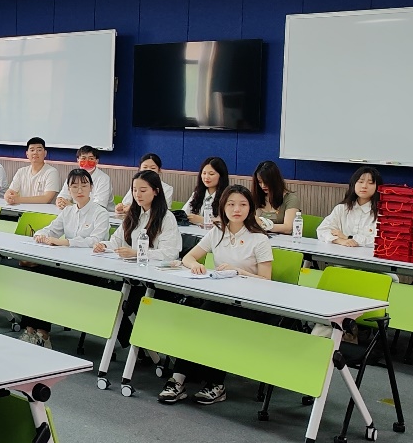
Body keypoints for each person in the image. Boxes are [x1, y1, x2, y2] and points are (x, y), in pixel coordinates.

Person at [159, 186, 272, 406]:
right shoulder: (217, 232)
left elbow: (266, 280)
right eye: (231, 204)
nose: (237, 209)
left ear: (250, 208)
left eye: (243, 204)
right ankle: (178, 380)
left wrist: (239, 272)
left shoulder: (259, 239)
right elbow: (188, 257)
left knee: (219, 324)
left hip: (249, 303)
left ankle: (216, 384)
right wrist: (195, 266)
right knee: (197, 319)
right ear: (223, 207)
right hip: (221, 296)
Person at [20, 168, 111, 347]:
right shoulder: (68, 211)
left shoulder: (100, 212)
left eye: (84, 185)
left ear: (91, 187)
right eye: (74, 186)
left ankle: (42, 333)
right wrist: (40, 234)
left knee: (46, 277)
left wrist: (66, 242)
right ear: (68, 189)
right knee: (35, 274)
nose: (79, 190)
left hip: (90, 270)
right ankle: (32, 329)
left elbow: (95, 240)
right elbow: (51, 229)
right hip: (68, 265)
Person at [95, 169, 182, 350]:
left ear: (156, 191)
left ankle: (143, 348)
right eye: (134, 190)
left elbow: (169, 253)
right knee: (106, 296)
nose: (137, 195)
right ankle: (135, 347)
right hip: (132, 275)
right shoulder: (132, 215)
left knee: (121, 303)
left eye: (143, 190)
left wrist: (138, 253)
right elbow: (116, 241)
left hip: (155, 281)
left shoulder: (166, 218)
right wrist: (104, 245)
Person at [318, 166, 382, 247]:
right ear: (354, 184)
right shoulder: (342, 208)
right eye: (360, 181)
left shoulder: (381, 213)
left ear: (378, 187)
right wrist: (340, 240)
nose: (364, 186)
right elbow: (322, 230)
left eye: (370, 183)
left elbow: (380, 240)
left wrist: (347, 237)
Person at [4, 137, 61, 205]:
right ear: (27, 154)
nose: (35, 153)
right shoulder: (21, 171)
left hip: (43, 211)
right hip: (22, 209)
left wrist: (18, 199)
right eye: (32, 150)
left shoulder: (51, 172)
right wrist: (8, 196)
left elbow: (47, 199)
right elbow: (10, 191)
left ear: (45, 153)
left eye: (39, 150)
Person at [56, 145, 113, 209]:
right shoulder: (73, 176)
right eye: (83, 158)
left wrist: (72, 206)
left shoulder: (104, 179)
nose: (87, 161)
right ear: (78, 160)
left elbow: (99, 205)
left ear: (96, 161)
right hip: (76, 211)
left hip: (102, 213)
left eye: (91, 159)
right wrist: (60, 202)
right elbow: (63, 195)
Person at [252, 160, 301, 234]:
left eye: (266, 182)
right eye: (260, 182)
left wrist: (264, 225)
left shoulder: (291, 199)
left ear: (275, 181)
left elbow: (288, 228)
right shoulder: (255, 198)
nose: (263, 185)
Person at [183, 156, 230, 228]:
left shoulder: (228, 197)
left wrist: (202, 220)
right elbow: (184, 213)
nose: (206, 177)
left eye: (211, 174)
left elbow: (228, 222)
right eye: (204, 173)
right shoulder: (197, 194)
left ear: (221, 176)